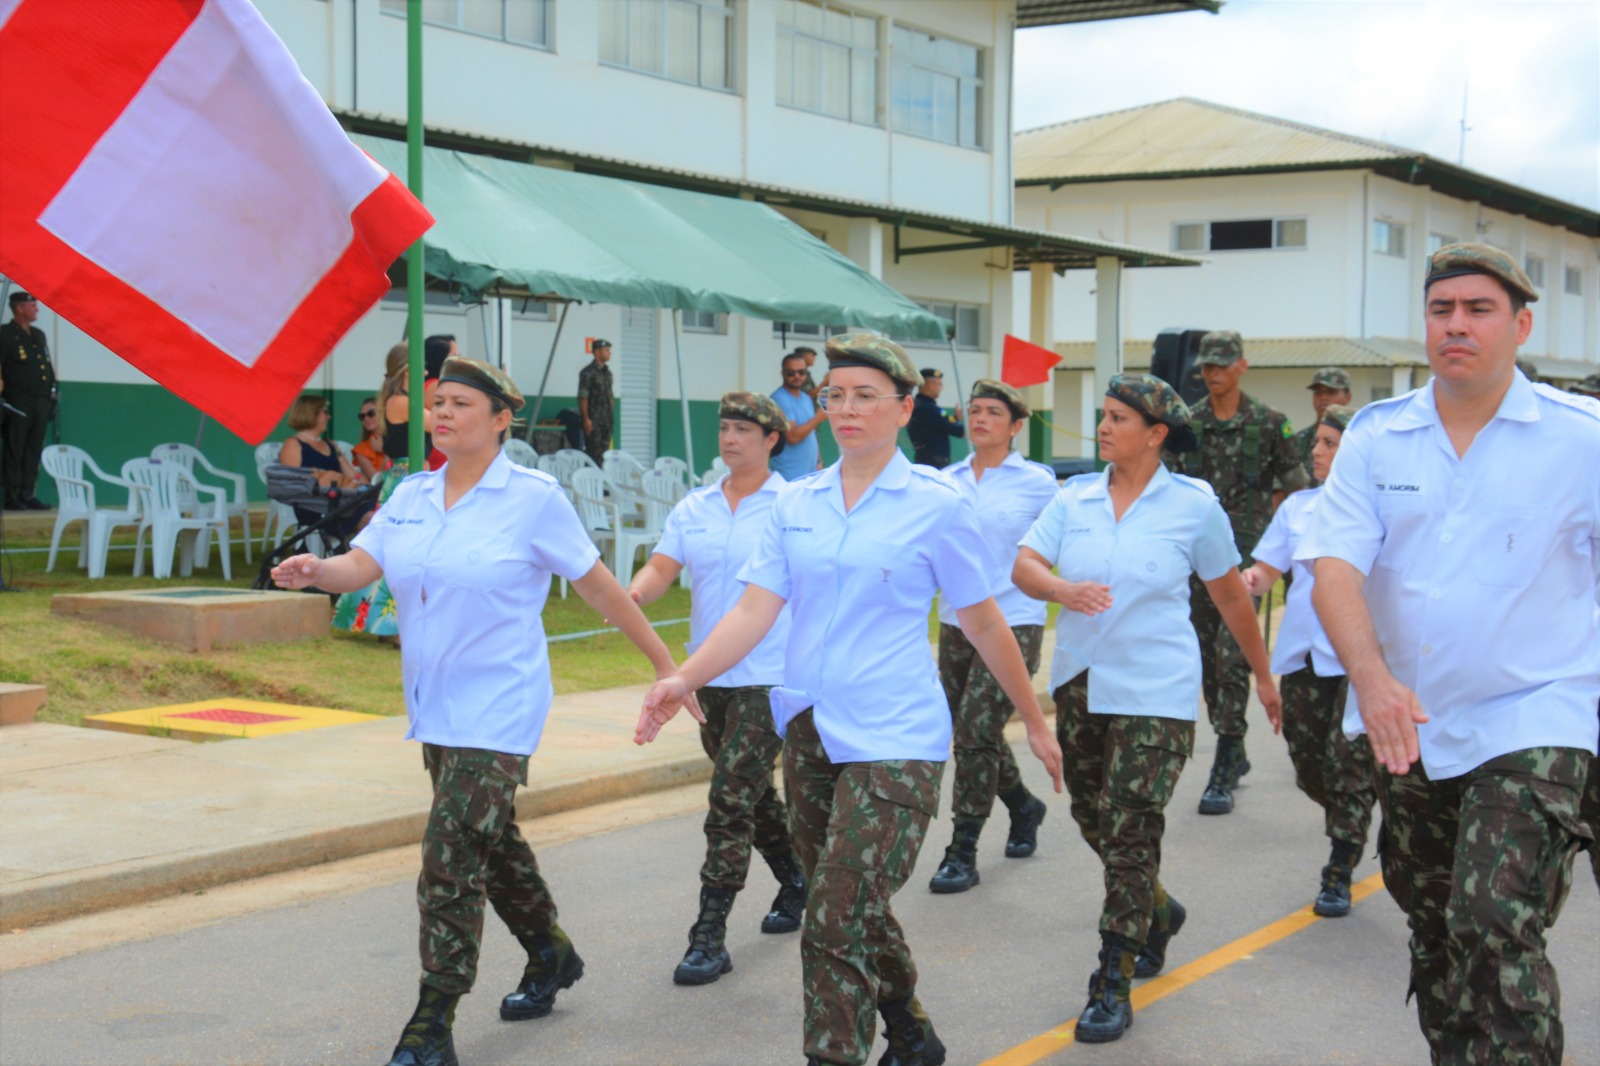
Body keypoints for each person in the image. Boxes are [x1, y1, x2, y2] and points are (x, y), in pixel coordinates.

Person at [637, 334, 1064, 1066]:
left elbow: (984, 618)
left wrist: (1032, 719)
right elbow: (753, 611)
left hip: (896, 738)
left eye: (866, 396)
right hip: (809, 732)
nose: (846, 408)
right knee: (851, 903)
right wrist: (682, 676)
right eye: (835, 395)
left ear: (905, 409)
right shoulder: (796, 503)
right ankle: (912, 1031)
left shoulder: (939, 505)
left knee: (833, 912)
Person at [274, 357, 694, 1066]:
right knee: (490, 841)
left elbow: (599, 589)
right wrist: (318, 573)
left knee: (450, 855)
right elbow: (361, 565)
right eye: (437, 402)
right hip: (433, 704)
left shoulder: (532, 499)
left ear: (501, 419)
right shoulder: (411, 493)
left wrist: (664, 665)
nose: (441, 414)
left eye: (460, 404)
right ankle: (550, 952)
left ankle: (432, 1020)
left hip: (500, 704)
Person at [1303, 243, 1598, 1064]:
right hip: (1413, 725)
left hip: (1536, 715)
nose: (1457, 325)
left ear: (1521, 324)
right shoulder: (1377, 436)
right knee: (1435, 930)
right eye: (1442, 310)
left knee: (1492, 918)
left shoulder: (1581, 440)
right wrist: (1374, 682)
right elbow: (1335, 569)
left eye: (1479, 309)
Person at [1014, 372, 1282, 1044]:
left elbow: (1228, 597)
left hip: (1156, 690)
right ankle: (1157, 911)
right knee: (1092, 817)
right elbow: (1024, 566)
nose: (1103, 428)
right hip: (1081, 682)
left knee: (1131, 831)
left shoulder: (1194, 506)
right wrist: (1061, 589)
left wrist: (1264, 676)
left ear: (1156, 434)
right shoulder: (1073, 498)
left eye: (1118, 419)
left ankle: (1111, 977)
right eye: (1103, 416)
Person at [627, 391, 805, 987]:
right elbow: (661, 567)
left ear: (771, 440)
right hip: (708, 680)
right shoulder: (695, 506)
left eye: (743, 431)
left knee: (729, 801)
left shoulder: (793, 506)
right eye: (725, 428)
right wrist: (632, 593)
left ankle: (709, 935)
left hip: (770, 676)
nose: (730, 439)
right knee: (753, 797)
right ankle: (797, 877)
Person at [1239, 404, 1376, 918]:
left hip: (1361, 658)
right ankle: (1359, 807)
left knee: (1346, 765)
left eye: (1329, 443)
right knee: (1309, 766)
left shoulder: (1379, 506)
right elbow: (1267, 570)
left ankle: (1338, 870)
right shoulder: (1297, 508)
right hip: (1303, 656)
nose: (1316, 452)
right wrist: (1247, 582)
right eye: (1317, 442)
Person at [925, 379, 1059, 894]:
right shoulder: (944, 480)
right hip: (958, 621)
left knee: (977, 730)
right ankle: (1024, 807)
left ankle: (962, 849)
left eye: (993, 413)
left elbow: (1059, 540)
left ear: (1016, 426)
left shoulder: (1038, 483)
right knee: (970, 732)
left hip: (1016, 619)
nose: (980, 419)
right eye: (975, 411)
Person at [1166, 330, 1306, 816]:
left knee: (1231, 657)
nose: (1213, 373)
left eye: (1223, 365)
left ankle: (1226, 756)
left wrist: (1277, 560)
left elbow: (1291, 493)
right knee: (1207, 657)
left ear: (1242, 365)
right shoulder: (1189, 423)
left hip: (1245, 560)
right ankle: (1236, 749)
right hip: (1194, 558)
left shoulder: (1270, 424)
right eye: (1207, 365)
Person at [332, 344, 430, 639]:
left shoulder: (401, 400)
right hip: (406, 478)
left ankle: (390, 625)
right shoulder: (402, 402)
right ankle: (396, 627)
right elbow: (440, 423)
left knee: (402, 549)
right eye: (422, 366)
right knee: (403, 549)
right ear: (408, 370)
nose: (426, 371)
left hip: (408, 476)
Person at [277, 394, 367, 532]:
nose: (328, 417)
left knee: (376, 510)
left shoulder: (329, 444)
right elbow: (293, 484)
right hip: (311, 506)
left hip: (338, 502)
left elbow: (352, 473)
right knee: (371, 516)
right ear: (311, 413)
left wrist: (369, 484)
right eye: (325, 412)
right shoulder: (293, 444)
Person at [0, 291, 57, 511]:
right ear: (20, 308)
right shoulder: (5, 334)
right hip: (17, 399)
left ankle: (27, 493)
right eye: (33, 306)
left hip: (40, 400)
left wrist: (51, 393)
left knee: (34, 447)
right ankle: (12, 496)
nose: (37, 309)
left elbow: (46, 363)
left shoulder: (38, 335)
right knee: (15, 447)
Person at [770, 351, 827, 482]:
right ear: (782, 373)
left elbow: (811, 433)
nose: (797, 376)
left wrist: (819, 461)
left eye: (801, 372)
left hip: (811, 473)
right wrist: (819, 418)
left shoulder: (806, 398)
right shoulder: (779, 398)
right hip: (789, 475)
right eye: (791, 373)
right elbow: (793, 436)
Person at [1293, 367, 1351, 482]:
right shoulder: (1300, 439)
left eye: (1331, 392)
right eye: (1318, 393)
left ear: (1348, 397)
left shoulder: (1357, 438)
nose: (1323, 397)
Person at [907, 369, 965, 469]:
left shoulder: (919, 405)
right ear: (929, 384)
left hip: (925, 459)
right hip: (933, 463)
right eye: (939, 384)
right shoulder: (928, 408)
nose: (941, 388)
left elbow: (941, 424)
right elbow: (958, 430)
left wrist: (955, 418)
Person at [577, 338, 614, 467]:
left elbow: (610, 396)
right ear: (597, 352)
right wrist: (586, 419)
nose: (609, 353)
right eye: (606, 350)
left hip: (606, 421)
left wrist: (610, 415)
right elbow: (583, 397)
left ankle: (602, 484)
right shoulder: (588, 372)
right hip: (594, 421)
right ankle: (590, 483)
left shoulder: (607, 373)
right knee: (593, 454)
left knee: (605, 455)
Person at [350, 395, 390, 482]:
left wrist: (384, 448)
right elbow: (376, 481)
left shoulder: (398, 438)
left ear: (382, 412)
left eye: (371, 413)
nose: (366, 418)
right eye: (362, 416)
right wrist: (386, 450)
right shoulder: (361, 450)